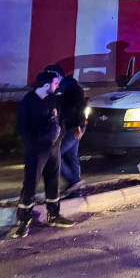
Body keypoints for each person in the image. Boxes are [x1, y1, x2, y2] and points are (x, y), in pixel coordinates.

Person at [13, 72, 75, 238]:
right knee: (31, 183)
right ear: (46, 85)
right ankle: (24, 220)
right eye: (55, 83)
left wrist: (58, 139)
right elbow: (21, 128)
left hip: (53, 150)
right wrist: (40, 138)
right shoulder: (28, 102)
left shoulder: (53, 99)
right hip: (35, 150)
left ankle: (54, 216)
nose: (57, 86)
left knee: (53, 181)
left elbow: (60, 120)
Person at [45, 64, 86, 198]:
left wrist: (79, 125)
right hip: (67, 126)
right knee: (70, 156)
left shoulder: (71, 87)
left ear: (57, 74)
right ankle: (75, 191)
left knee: (53, 155)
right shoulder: (60, 87)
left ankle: (73, 182)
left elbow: (81, 106)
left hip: (74, 127)